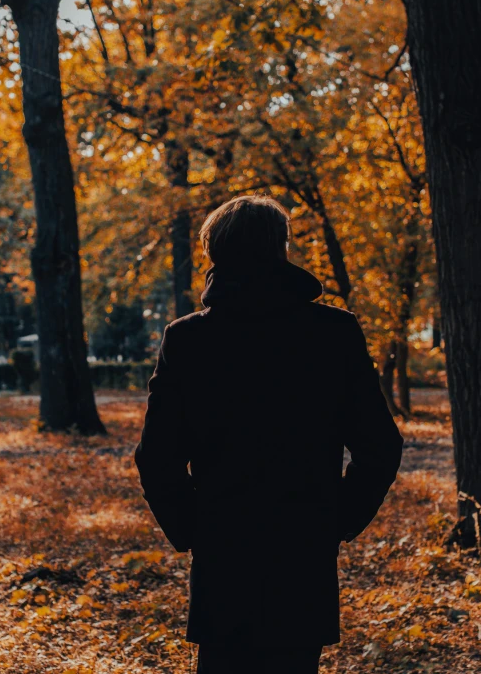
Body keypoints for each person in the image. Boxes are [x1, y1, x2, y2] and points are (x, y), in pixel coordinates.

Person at [135, 195, 404, 674]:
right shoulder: (334, 333)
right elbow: (379, 447)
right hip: (303, 545)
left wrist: (191, 528)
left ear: (213, 253)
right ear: (281, 249)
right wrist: (338, 519)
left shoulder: (188, 339)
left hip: (223, 546)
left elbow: (157, 458)